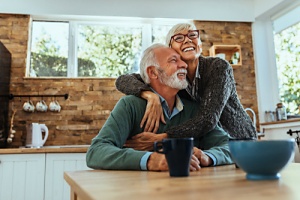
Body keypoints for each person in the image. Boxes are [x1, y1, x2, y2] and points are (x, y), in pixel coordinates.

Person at [86, 43, 233, 171]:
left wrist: (207, 156)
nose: (184, 65)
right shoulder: (130, 105)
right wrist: (152, 160)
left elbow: (231, 147)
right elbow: (96, 152)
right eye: (174, 60)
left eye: (182, 60)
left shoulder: (194, 110)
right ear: (153, 72)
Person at [115, 23, 257, 145]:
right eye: (179, 38)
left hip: (239, 140)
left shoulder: (218, 67)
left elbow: (208, 119)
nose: (187, 40)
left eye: (192, 35)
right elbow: (122, 80)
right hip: (210, 144)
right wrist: (150, 95)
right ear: (170, 49)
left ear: (200, 45)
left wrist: (164, 137)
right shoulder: (173, 78)